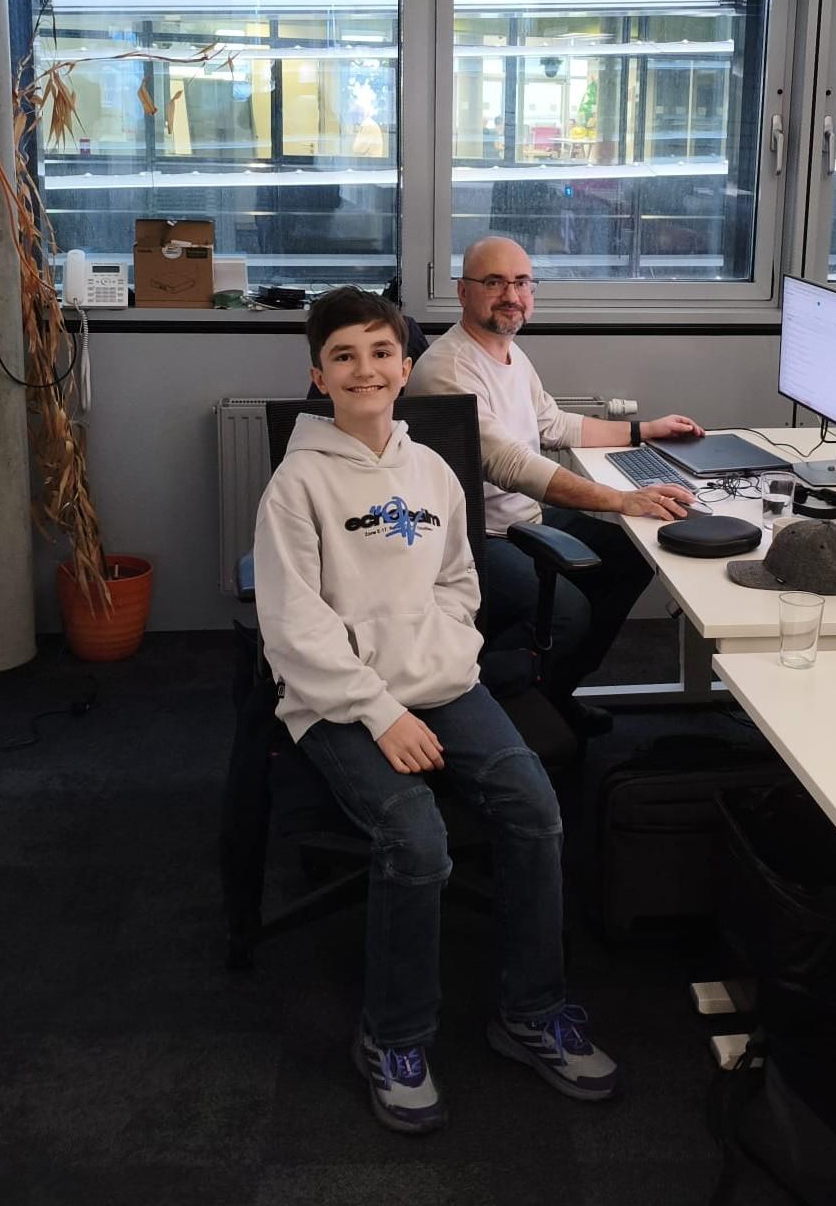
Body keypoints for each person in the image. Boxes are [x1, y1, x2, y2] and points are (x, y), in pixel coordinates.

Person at [254, 287, 618, 1136]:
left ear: (404, 364)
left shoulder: (431, 471)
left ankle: (532, 1012)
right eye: (344, 356)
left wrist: (447, 651)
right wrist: (381, 712)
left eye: (381, 352)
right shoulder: (296, 485)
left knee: (534, 807)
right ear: (319, 376)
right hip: (338, 700)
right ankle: (394, 1037)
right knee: (416, 837)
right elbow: (294, 629)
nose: (366, 369)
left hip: (444, 682)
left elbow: (459, 579)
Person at [408, 236, 702, 737]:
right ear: (463, 291)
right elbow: (511, 465)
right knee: (566, 613)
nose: (511, 296)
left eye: (521, 283)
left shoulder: (508, 354)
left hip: (523, 519)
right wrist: (621, 499)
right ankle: (473, 713)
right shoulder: (448, 370)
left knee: (627, 560)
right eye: (494, 282)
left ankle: (553, 695)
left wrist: (643, 431)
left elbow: (553, 424)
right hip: (478, 538)